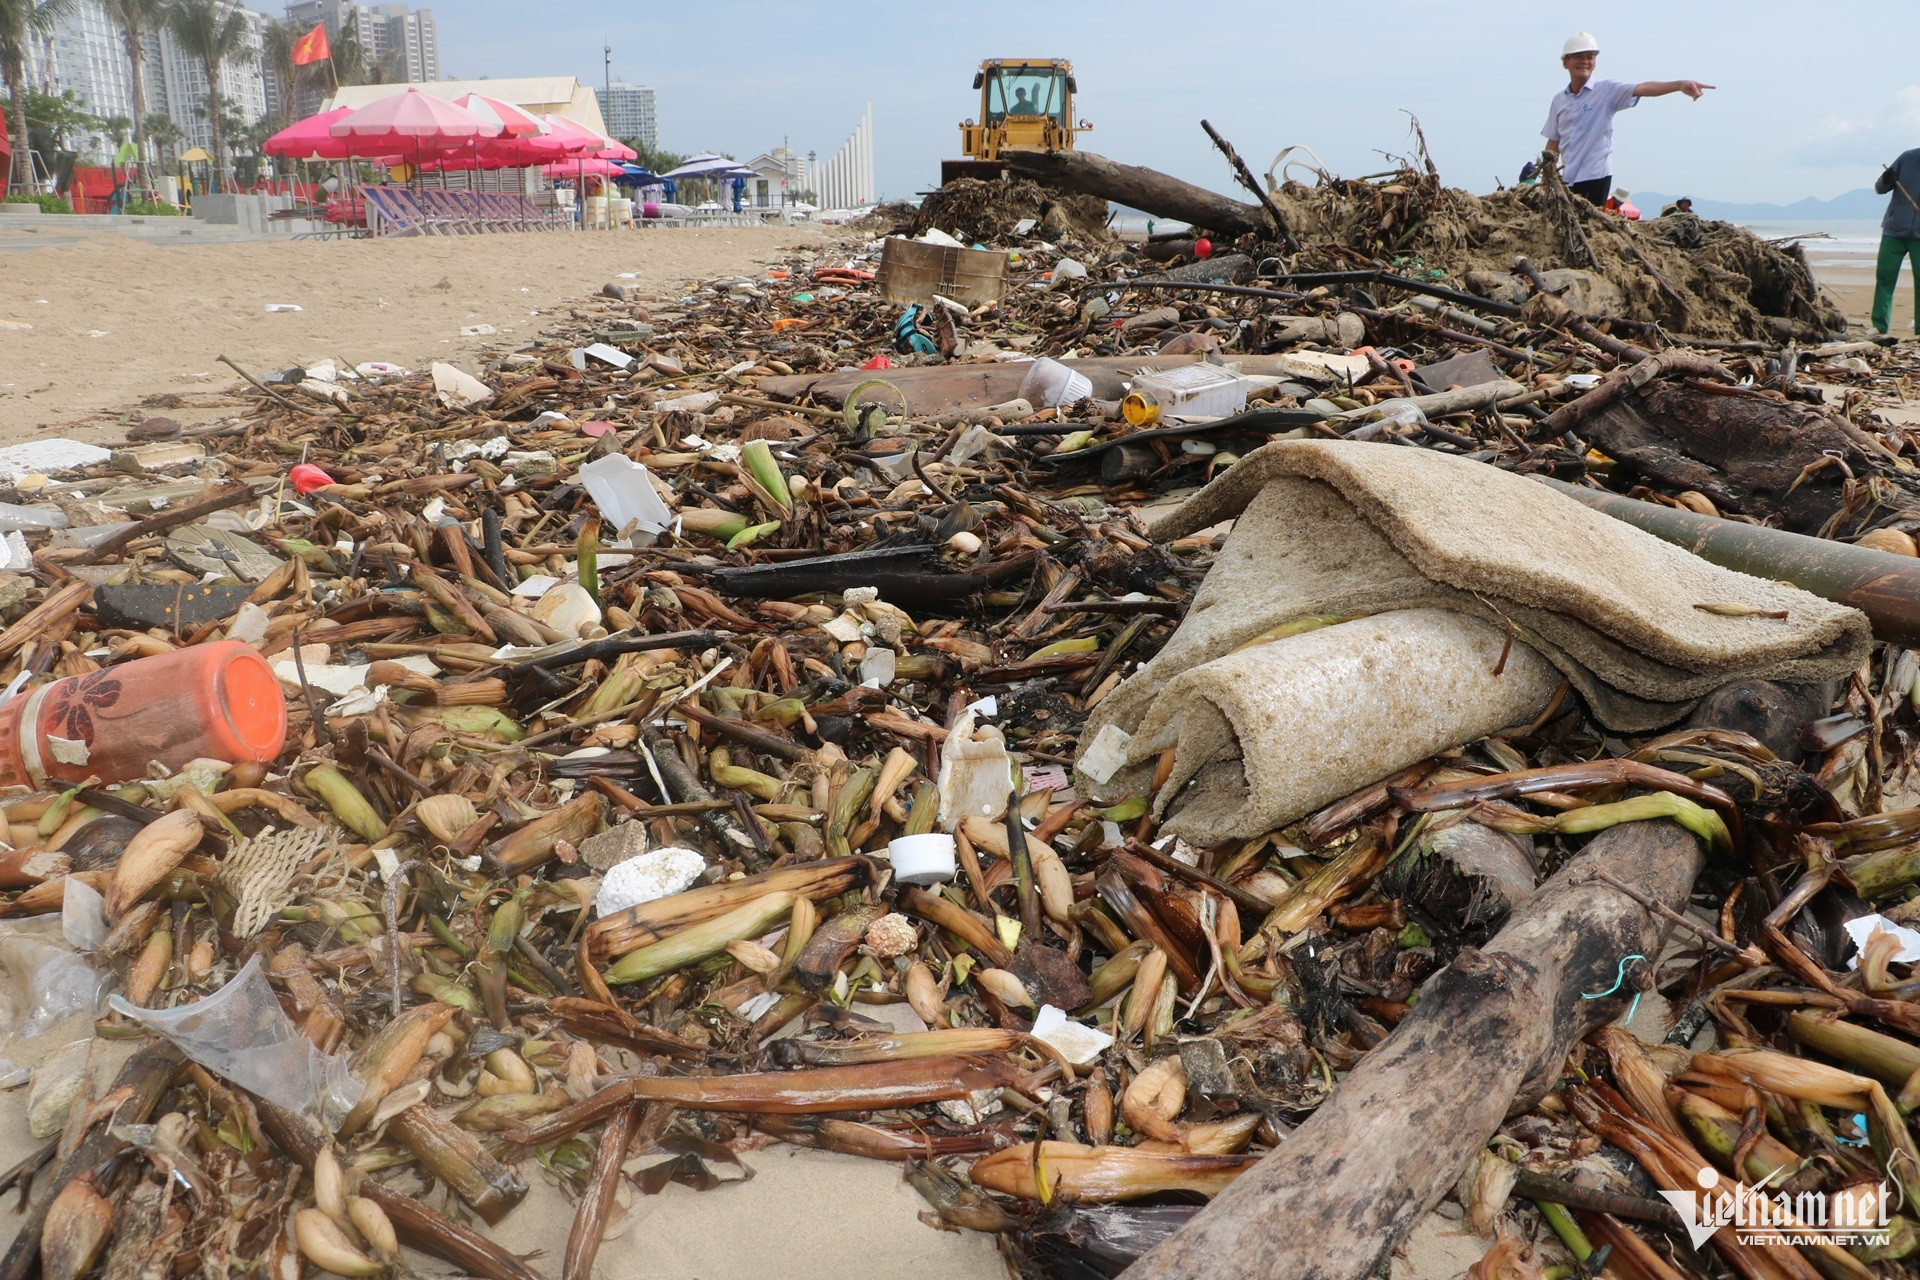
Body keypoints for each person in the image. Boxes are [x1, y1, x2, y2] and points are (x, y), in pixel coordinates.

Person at [1541, 31, 1715, 206]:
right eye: (1578, 56)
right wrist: (1546, 180)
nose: (1585, 61)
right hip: (1568, 176)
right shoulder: (1559, 100)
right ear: (1565, 62)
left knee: (1583, 224)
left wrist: (1679, 85)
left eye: (1590, 56)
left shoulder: (1606, 90)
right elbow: (1553, 142)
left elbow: (1643, 88)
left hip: (1595, 174)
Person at [1872, 146, 1920, 335]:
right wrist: (1886, 179)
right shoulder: (1907, 158)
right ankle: (1879, 325)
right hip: (1894, 230)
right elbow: (1879, 188)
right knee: (1884, 277)